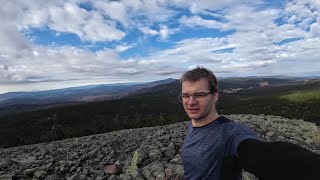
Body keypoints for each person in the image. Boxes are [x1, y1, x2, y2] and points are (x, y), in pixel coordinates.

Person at [179, 66, 320, 180]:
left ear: (214, 96)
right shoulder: (193, 125)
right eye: (185, 95)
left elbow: (260, 154)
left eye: (199, 95)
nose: (190, 102)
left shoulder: (230, 132)